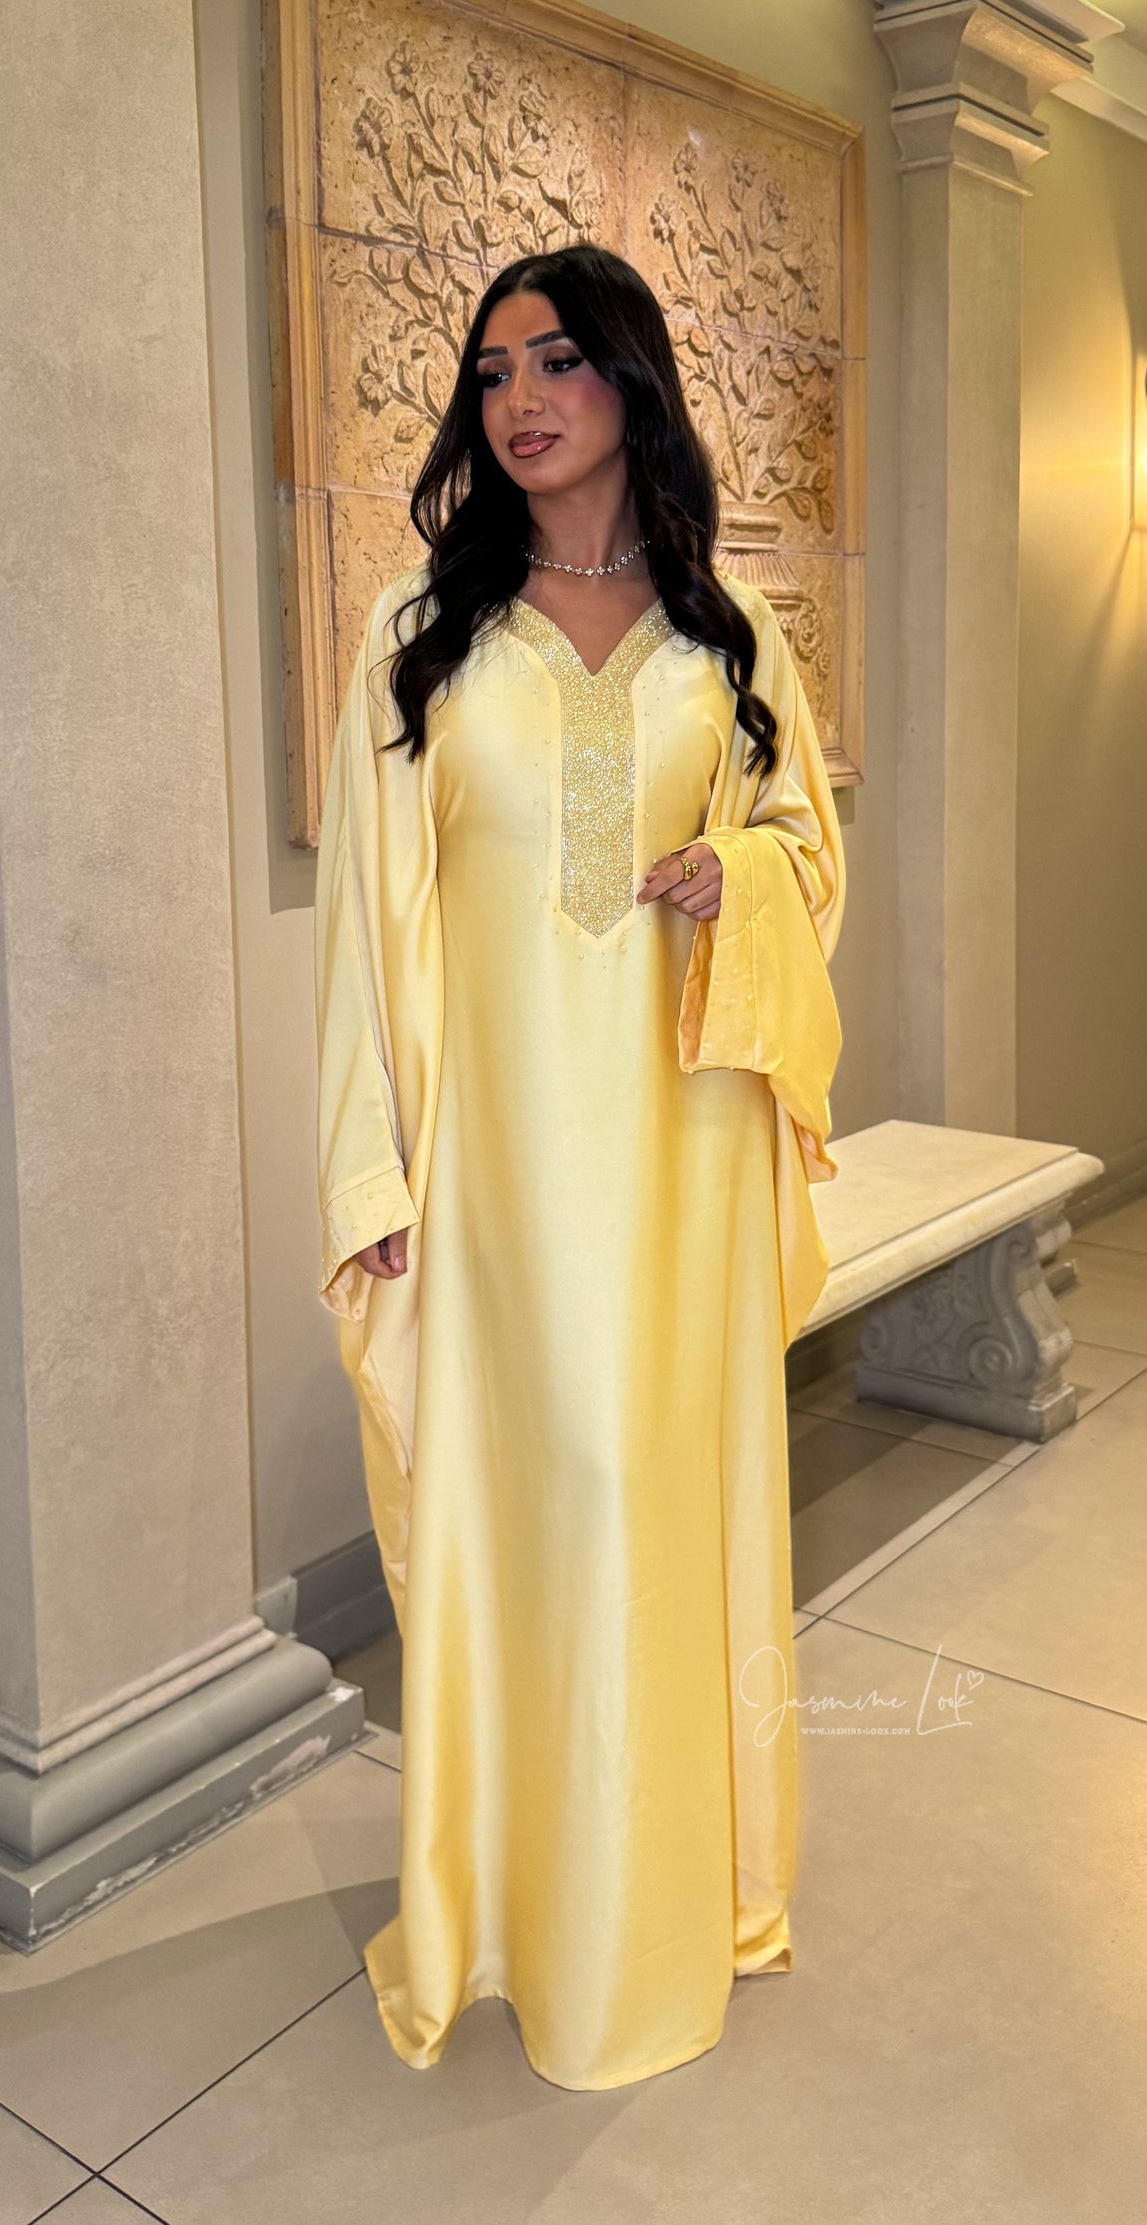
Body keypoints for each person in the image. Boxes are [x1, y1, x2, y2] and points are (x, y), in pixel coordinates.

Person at [314, 241, 845, 2092]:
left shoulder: (730, 634)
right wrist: (370, 1176)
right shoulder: (421, 635)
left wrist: (740, 874)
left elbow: (807, 855)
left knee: (651, 1498)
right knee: (529, 1514)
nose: (518, 399)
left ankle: (667, 1908)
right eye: (489, 373)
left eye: (554, 360)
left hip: (679, 1160)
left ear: (630, 380)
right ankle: (514, 1915)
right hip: (497, 1175)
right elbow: (366, 932)